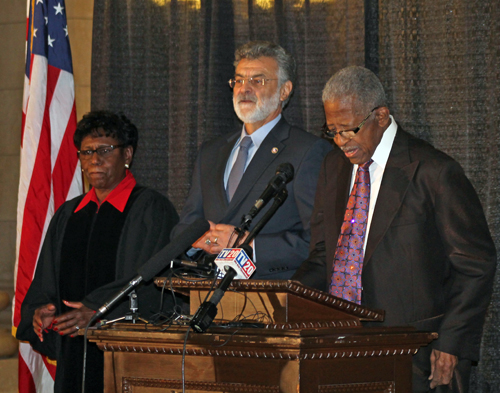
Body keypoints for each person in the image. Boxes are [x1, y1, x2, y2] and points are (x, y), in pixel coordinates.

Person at [292, 66, 496, 392]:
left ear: (382, 116)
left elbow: (475, 264)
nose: (341, 141)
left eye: (349, 129)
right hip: (338, 350)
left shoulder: (433, 171)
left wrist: (452, 342)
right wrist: (284, 302)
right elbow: (323, 254)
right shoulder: (333, 166)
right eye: (332, 131)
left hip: (417, 355)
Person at [16, 111, 179, 393]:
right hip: (73, 361)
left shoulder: (151, 210)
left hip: (126, 360)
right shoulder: (69, 215)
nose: (94, 159)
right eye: (86, 152)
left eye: (105, 150)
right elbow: (46, 282)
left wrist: (101, 311)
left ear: (127, 154)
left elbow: (162, 285)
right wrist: (42, 312)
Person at [172, 41, 332, 279]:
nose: (244, 89)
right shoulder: (211, 152)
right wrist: (200, 240)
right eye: (239, 80)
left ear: (284, 91)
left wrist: (248, 245)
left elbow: (320, 242)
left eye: (257, 81)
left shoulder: (307, 151)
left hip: (272, 300)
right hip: (206, 296)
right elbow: (185, 227)